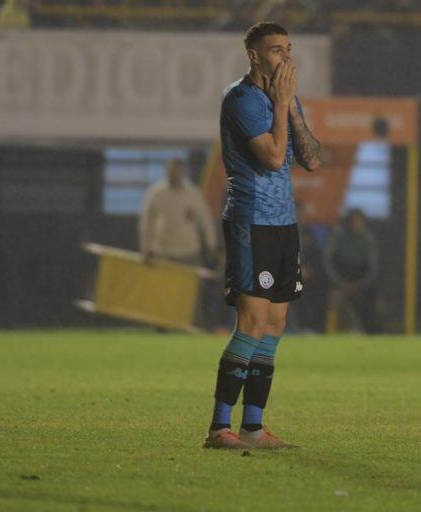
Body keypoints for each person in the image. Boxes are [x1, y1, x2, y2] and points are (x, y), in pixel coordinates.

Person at [204, 21, 322, 449]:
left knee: (275, 323)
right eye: (276, 50)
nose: (286, 58)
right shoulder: (241, 99)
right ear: (254, 55)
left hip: (283, 223)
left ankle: (252, 427)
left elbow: (310, 158)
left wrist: (289, 108)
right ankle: (219, 428)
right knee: (251, 322)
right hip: (250, 221)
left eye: (289, 49)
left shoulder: (283, 101)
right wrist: (281, 105)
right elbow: (273, 158)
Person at [138, 158, 217, 267]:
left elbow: (205, 220)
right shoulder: (156, 193)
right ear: (166, 171)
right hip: (163, 252)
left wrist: (211, 244)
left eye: (177, 171)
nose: (174, 174)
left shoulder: (193, 194)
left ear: (183, 172)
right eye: (171, 171)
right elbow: (147, 222)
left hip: (189, 253)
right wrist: (145, 247)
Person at [323, 209, 379, 333]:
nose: (356, 225)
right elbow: (329, 263)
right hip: (340, 279)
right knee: (332, 304)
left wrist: (357, 286)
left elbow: (371, 269)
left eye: (359, 222)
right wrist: (341, 283)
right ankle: (329, 332)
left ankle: (366, 331)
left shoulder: (367, 240)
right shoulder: (338, 237)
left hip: (360, 281)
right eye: (353, 222)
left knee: (367, 305)